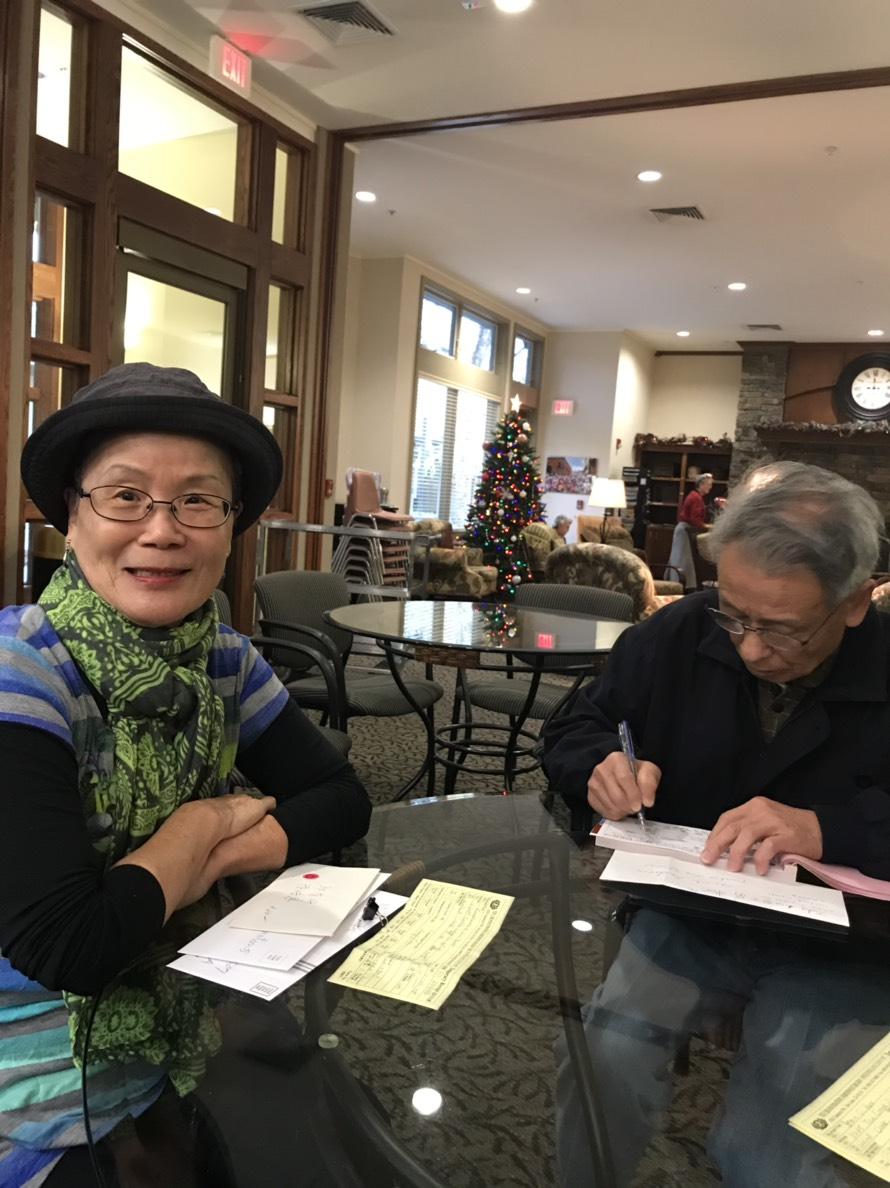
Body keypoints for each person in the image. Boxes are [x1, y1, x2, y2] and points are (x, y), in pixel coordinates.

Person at [0, 363, 372, 1186]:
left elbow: (343, 800)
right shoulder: (20, 673)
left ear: (231, 526)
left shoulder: (223, 660)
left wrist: (198, 861)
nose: (162, 530)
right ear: (71, 515)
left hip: (188, 1029)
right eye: (125, 496)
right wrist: (198, 824)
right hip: (31, 1081)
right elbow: (68, 944)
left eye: (198, 501)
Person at [544, 461, 890, 1187]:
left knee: (771, 1146)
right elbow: (579, 722)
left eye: (784, 630)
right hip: (693, 912)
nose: (751, 648)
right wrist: (601, 763)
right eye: (736, 615)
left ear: (857, 600)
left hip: (842, 945)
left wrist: (829, 829)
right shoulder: (682, 630)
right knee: (604, 1061)